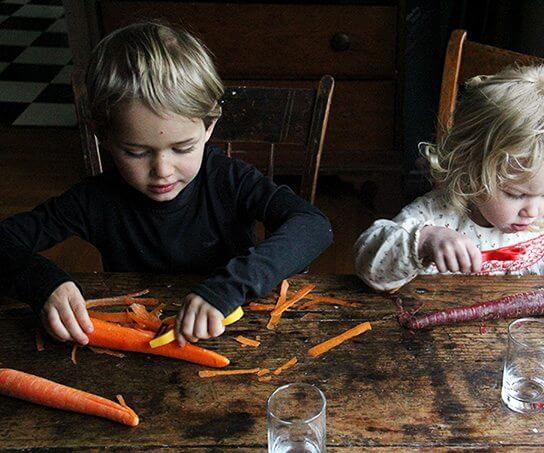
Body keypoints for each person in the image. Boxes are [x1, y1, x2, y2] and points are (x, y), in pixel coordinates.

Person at [0, 22, 333, 346]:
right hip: (137, 346)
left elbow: (313, 226)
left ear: (208, 127)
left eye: (183, 149)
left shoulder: (228, 180)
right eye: (135, 152)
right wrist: (42, 282)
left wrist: (229, 287)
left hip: (236, 333)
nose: (162, 170)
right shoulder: (94, 199)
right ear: (104, 136)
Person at [354, 65, 544, 321]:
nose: (533, 210)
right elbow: (369, 267)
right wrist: (423, 241)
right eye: (516, 194)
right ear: (471, 170)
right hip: (444, 339)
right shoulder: (437, 216)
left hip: (522, 335)